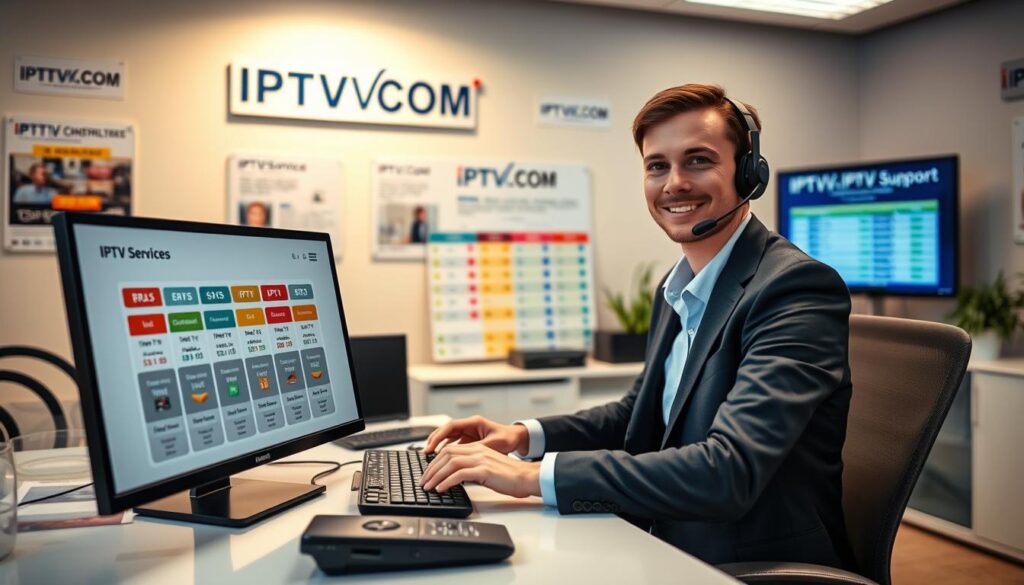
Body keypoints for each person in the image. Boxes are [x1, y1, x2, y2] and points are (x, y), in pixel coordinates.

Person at [420, 83, 855, 570]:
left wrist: (532, 478)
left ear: (750, 174)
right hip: (665, 537)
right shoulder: (677, 286)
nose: (673, 183)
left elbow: (727, 471)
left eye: (698, 160)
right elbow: (641, 415)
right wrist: (523, 436)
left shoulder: (794, 289)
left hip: (745, 561)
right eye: (657, 166)